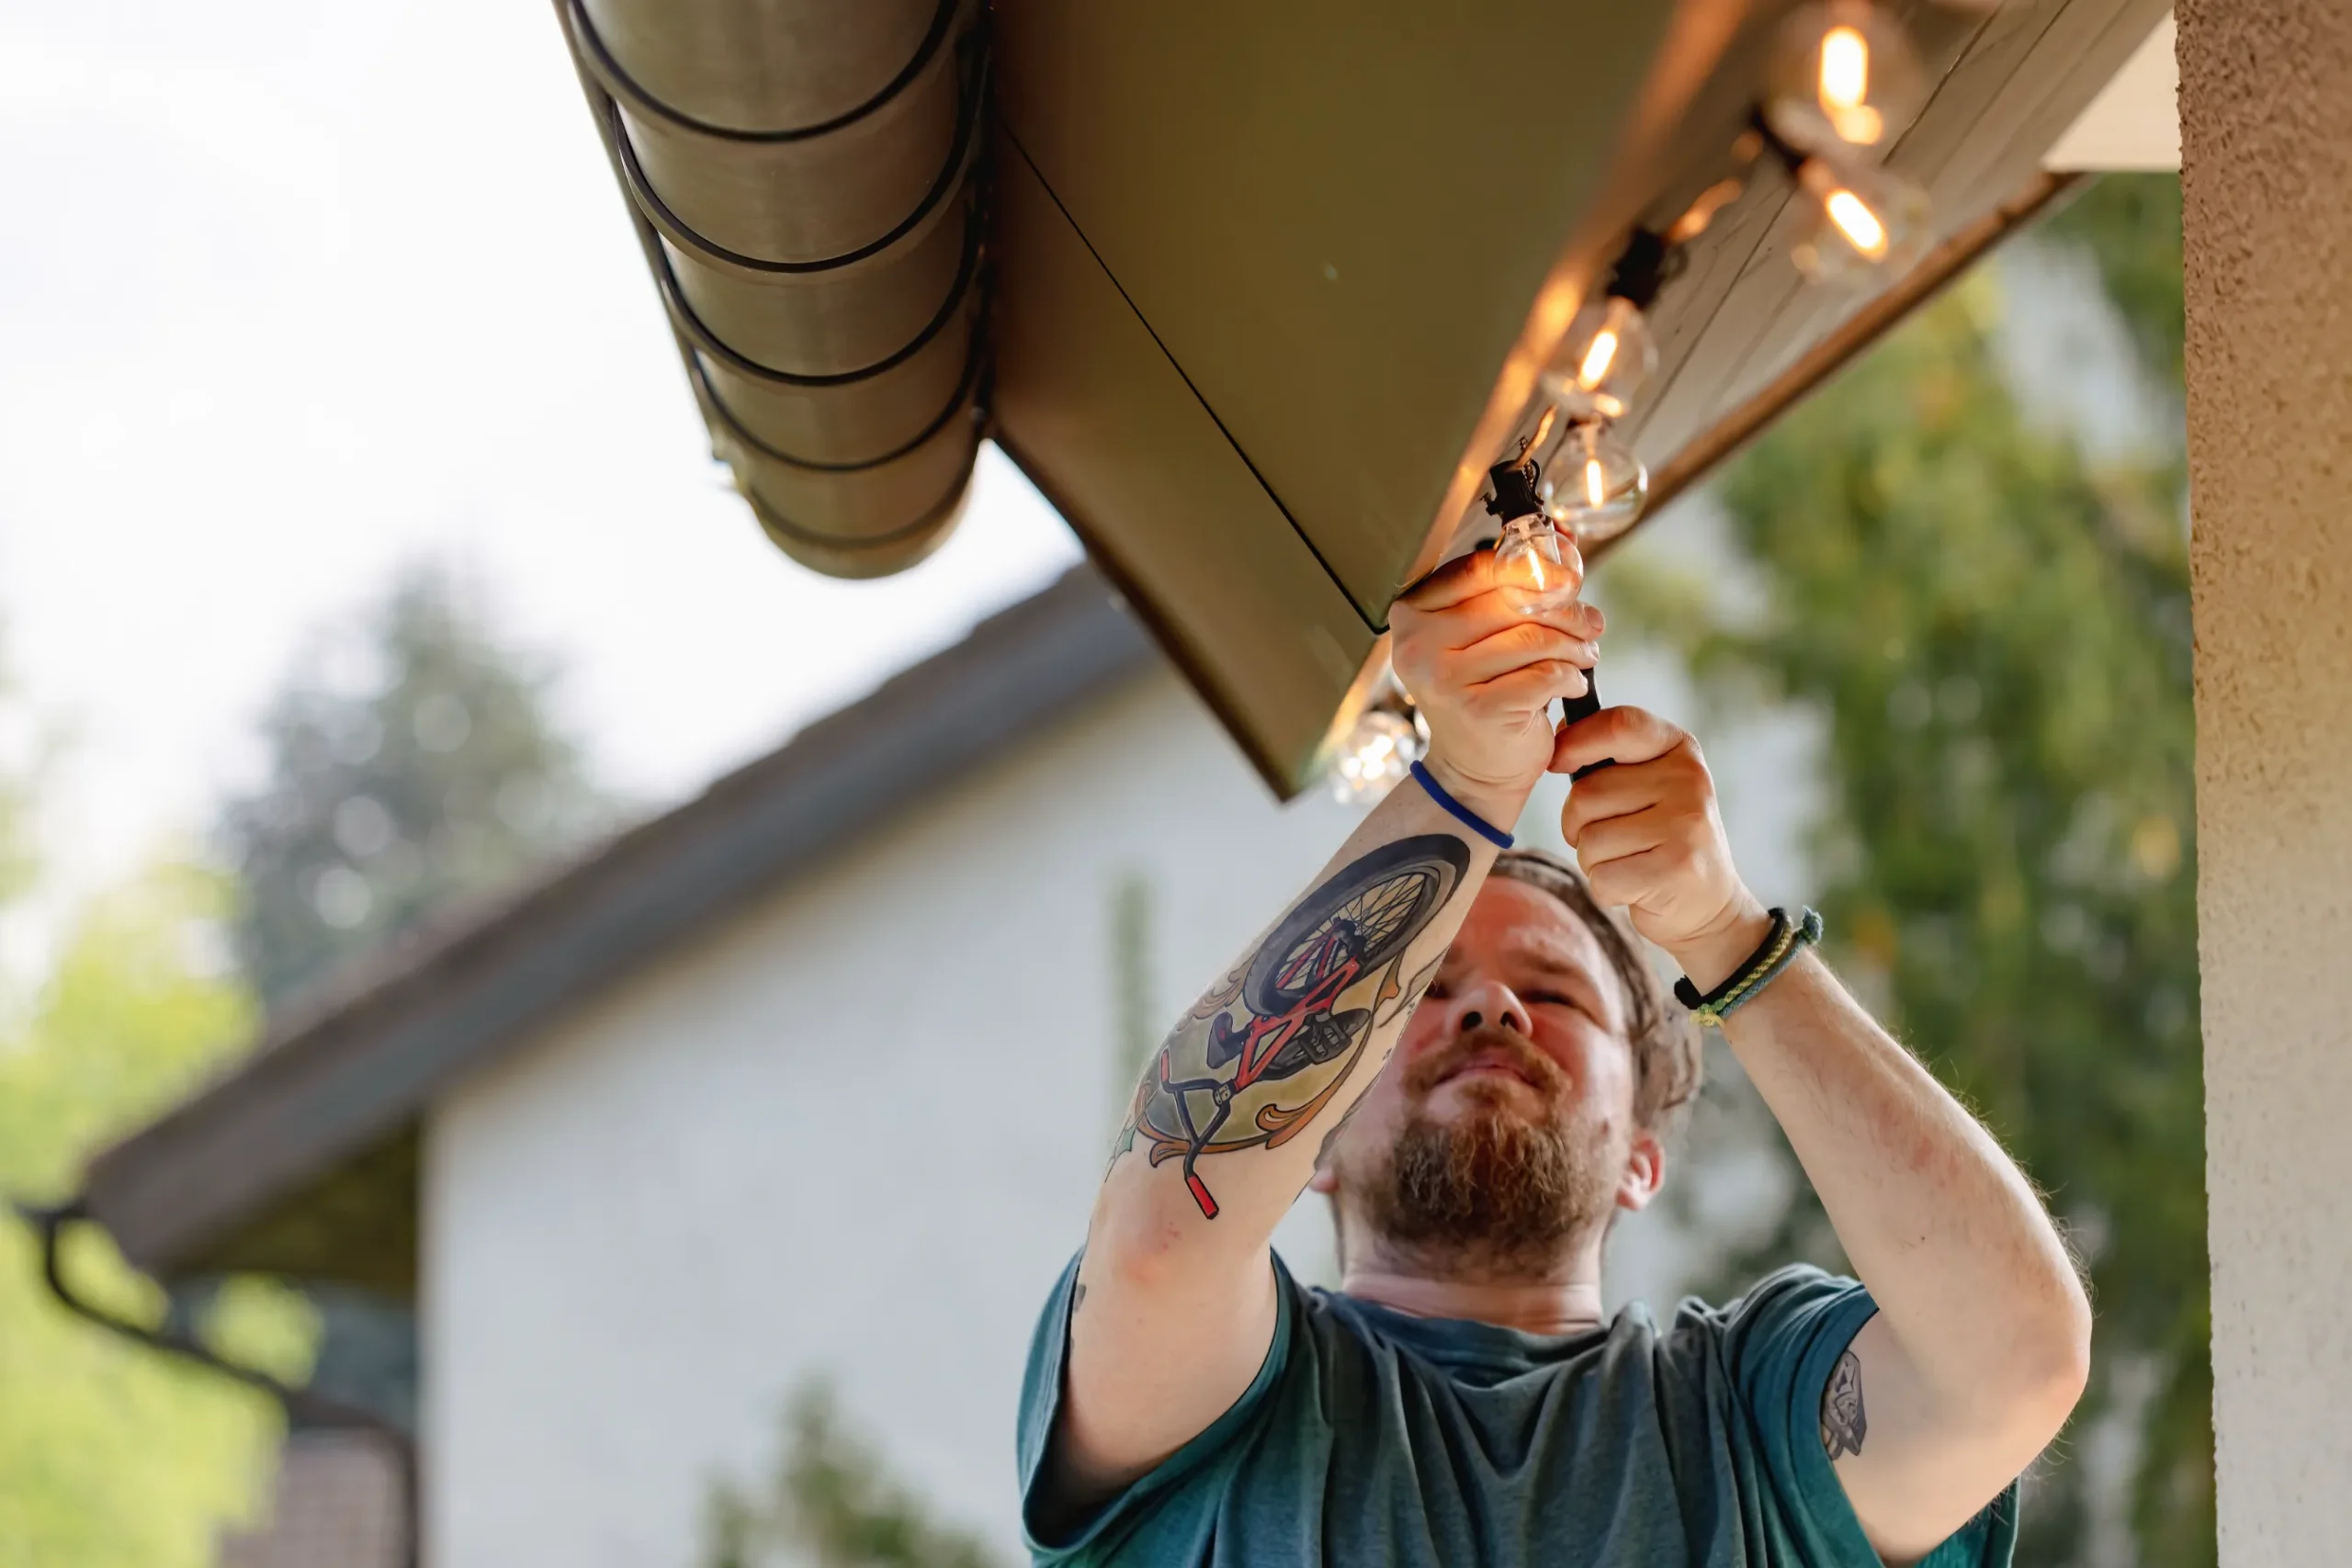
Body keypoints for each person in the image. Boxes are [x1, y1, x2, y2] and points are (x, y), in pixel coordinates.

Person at [1017, 546, 2091, 1567]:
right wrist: (1467, 783)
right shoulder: (1232, 1403)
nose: (1491, 1004)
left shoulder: (1750, 1415)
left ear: (1641, 1152)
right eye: (1422, 996)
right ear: (1317, 1141)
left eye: (1553, 992)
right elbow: (1162, 1231)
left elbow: (2015, 1357)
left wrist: (1723, 930)